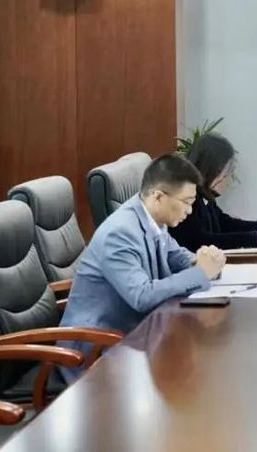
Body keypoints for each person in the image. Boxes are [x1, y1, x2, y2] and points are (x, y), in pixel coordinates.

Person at [59, 154, 226, 380]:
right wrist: (200, 273)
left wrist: (203, 260)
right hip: (93, 351)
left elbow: (174, 254)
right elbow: (142, 296)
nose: (189, 210)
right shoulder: (120, 233)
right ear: (159, 196)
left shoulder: (151, 215)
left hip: (133, 334)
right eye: (187, 202)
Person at [172, 133, 257, 251]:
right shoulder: (188, 197)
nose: (226, 179)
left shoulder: (205, 194)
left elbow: (223, 223)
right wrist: (253, 239)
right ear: (210, 169)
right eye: (224, 174)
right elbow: (200, 241)